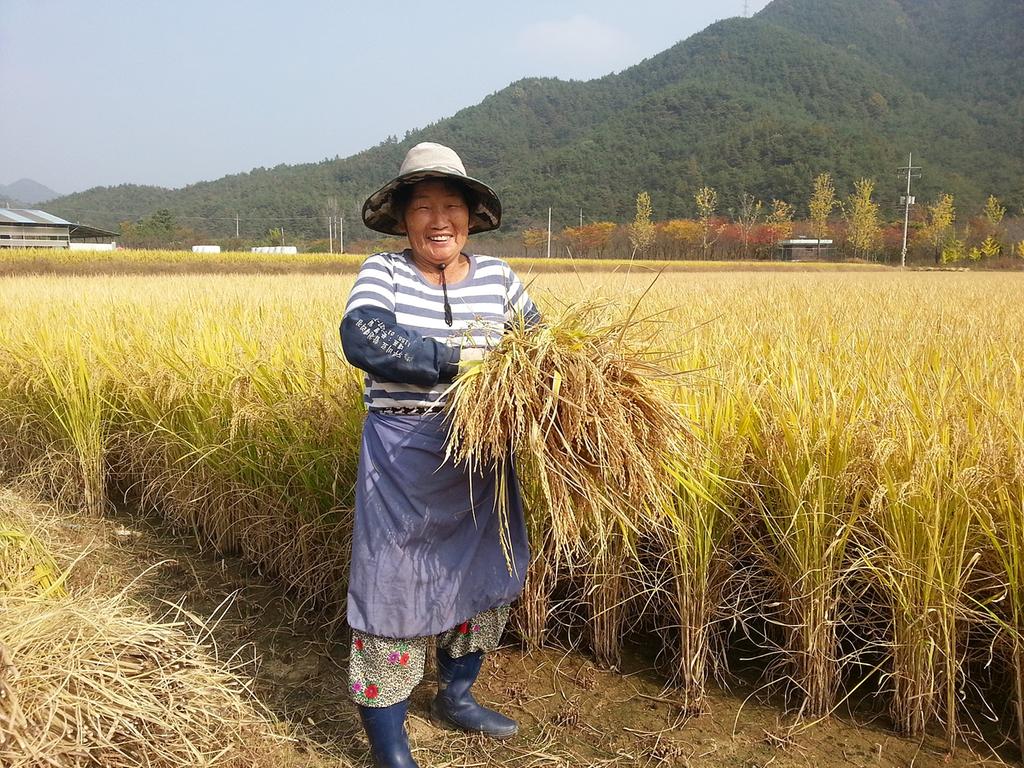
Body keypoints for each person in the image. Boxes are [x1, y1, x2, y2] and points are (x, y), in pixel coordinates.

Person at [340, 142, 540, 768]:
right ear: (403, 219)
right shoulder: (384, 273)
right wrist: (454, 361)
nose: (438, 220)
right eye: (422, 207)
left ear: (471, 216)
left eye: (450, 205)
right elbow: (364, 336)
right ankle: (389, 743)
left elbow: (541, 353)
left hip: (484, 457)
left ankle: (456, 695)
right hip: (404, 454)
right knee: (391, 589)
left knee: (480, 578)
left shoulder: (500, 279)